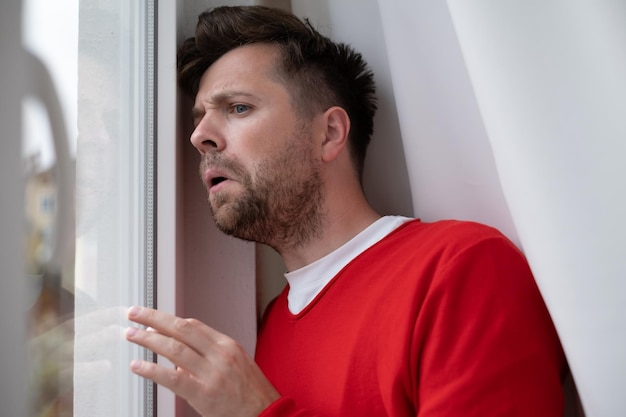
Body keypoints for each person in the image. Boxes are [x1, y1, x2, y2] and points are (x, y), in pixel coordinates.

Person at [126, 5, 566, 416]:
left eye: (238, 108)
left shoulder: (462, 266)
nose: (200, 136)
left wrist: (260, 410)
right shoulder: (275, 324)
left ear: (330, 133)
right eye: (198, 119)